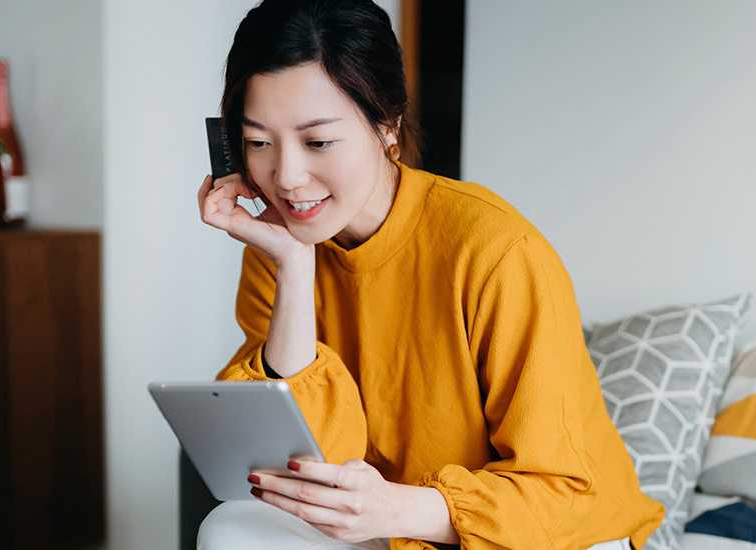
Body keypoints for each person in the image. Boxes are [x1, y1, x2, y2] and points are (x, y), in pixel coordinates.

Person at [195, 0, 664, 548]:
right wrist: (294, 268)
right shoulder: (280, 248)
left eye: (318, 141)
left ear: (387, 126)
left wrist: (395, 509)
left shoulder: (495, 249)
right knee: (230, 529)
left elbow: (558, 492)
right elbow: (308, 467)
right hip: (389, 521)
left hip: (548, 533)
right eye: (258, 143)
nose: (289, 177)